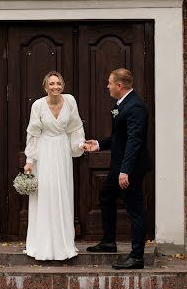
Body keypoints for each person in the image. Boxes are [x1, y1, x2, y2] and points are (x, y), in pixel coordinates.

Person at [84, 68, 151, 269]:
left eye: (109, 83)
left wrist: (125, 171)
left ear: (119, 86)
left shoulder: (136, 108)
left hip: (130, 170)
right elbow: (119, 137)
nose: (107, 86)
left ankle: (137, 257)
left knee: (134, 210)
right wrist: (99, 144)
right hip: (118, 167)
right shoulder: (121, 105)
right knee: (106, 197)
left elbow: (134, 141)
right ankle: (108, 241)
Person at [23, 71, 85, 261]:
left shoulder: (70, 101)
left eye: (58, 83)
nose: (55, 87)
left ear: (62, 86)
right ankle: (42, 244)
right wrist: (29, 160)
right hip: (44, 151)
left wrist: (79, 144)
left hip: (62, 151)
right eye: (51, 84)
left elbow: (75, 127)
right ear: (45, 87)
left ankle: (63, 245)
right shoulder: (38, 105)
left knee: (62, 193)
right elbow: (33, 132)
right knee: (45, 195)